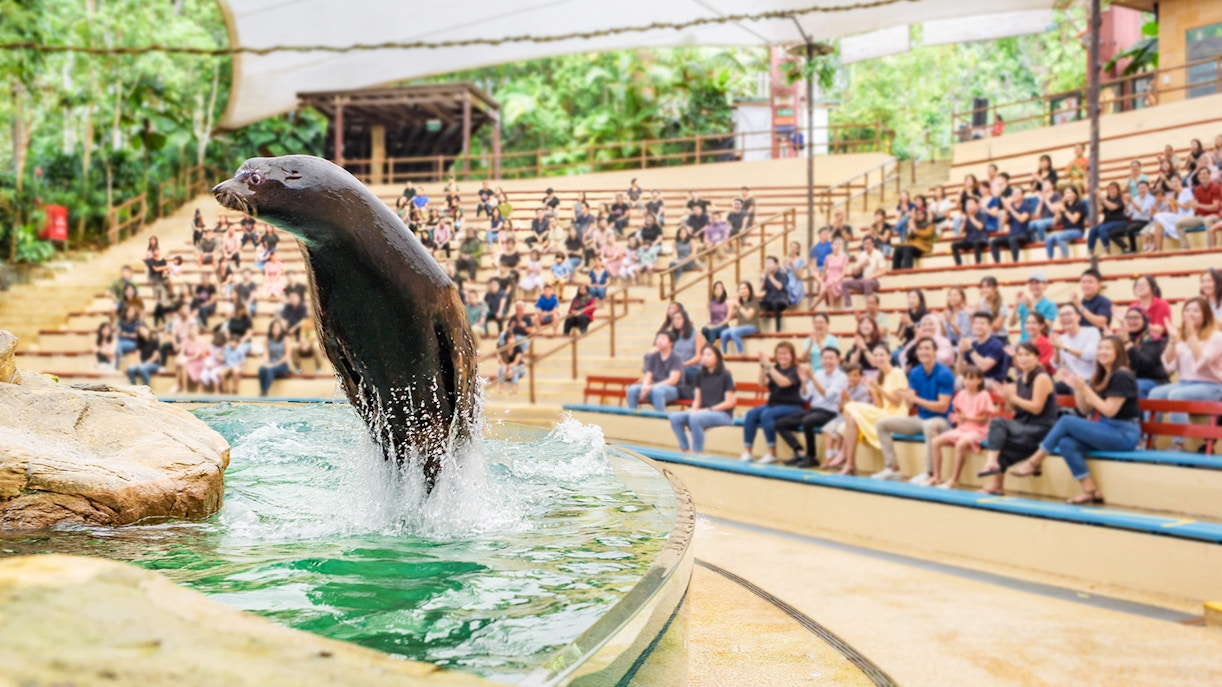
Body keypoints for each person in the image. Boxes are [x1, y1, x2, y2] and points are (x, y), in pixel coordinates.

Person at [1010, 336, 1141, 504]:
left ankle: (1035, 461)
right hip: (1105, 428)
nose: (1102, 352)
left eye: (1108, 348)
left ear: (1119, 352)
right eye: (1100, 348)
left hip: (1123, 433)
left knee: (1066, 421)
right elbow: (1084, 409)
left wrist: (1085, 388)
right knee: (1066, 442)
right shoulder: (1100, 375)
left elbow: (1109, 411)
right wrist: (1077, 389)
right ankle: (1089, 489)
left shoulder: (1122, 375)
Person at [975, 343, 1058, 494]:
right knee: (1001, 444)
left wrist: (1013, 396)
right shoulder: (1020, 380)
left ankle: (991, 462)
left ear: (1037, 358)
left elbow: (1036, 407)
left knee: (997, 421)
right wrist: (1007, 396)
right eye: (1020, 355)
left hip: (1041, 429)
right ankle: (997, 485)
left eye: (1027, 355)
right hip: (1024, 426)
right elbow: (1013, 409)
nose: (1023, 358)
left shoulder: (1042, 377)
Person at [1148, 298, 1222, 450]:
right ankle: (1148, 440)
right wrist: (1173, 340)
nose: (1190, 314)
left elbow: (1201, 362)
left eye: (1195, 310)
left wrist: (1191, 335)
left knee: (1176, 395)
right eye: (1187, 310)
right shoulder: (1181, 336)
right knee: (1155, 393)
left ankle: (1178, 443)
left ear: (1205, 315)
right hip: (1184, 383)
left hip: (1211, 386)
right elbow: (1168, 366)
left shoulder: (1216, 337)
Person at [880, 337, 956, 484]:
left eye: (927, 348)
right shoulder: (915, 372)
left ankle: (930, 472)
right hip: (920, 418)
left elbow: (943, 406)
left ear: (935, 352)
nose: (923, 351)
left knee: (929, 426)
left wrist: (916, 400)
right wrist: (906, 398)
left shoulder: (944, 373)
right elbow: (910, 404)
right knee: (882, 424)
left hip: (942, 420)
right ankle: (892, 468)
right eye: (920, 349)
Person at [829, 343, 909, 476]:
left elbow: (896, 402)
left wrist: (877, 388)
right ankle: (850, 464)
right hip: (884, 412)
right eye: (876, 355)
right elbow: (879, 406)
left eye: (881, 355)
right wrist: (872, 391)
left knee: (852, 407)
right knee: (852, 415)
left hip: (897, 414)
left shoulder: (897, 373)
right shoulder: (880, 375)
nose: (878, 358)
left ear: (889, 357)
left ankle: (844, 453)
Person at [775, 348, 847, 467]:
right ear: (821, 360)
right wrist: (804, 382)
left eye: (831, 358)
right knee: (780, 423)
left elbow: (828, 396)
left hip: (830, 412)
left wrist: (812, 378)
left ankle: (811, 456)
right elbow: (805, 396)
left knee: (808, 421)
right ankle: (800, 452)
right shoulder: (819, 374)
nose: (827, 361)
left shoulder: (842, 377)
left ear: (838, 360)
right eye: (825, 358)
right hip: (814, 410)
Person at [929, 366, 994, 488]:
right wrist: (956, 419)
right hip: (963, 429)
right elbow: (958, 415)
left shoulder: (984, 395)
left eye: (971, 379)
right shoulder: (962, 394)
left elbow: (985, 419)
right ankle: (937, 477)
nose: (967, 382)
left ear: (979, 380)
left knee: (960, 444)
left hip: (979, 430)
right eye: (965, 378)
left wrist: (966, 418)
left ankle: (954, 480)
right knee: (935, 442)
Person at [740, 342, 805, 464]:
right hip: (774, 404)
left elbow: (783, 382)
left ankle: (772, 453)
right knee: (751, 414)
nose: (782, 356)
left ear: (792, 355)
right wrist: (763, 366)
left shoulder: (795, 370)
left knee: (767, 414)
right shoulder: (775, 369)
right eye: (779, 353)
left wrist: (769, 366)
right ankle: (747, 451)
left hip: (793, 406)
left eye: (785, 353)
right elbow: (762, 383)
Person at [669, 345, 737, 454]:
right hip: (702, 412)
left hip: (723, 414)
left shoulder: (725, 375)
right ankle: (685, 450)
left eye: (709, 355)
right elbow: (697, 400)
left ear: (717, 357)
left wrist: (707, 410)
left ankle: (697, 452)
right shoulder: (700, 375)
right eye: (703, 355)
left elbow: (729, 403)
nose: (705, 358)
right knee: (675, 417)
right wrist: (694, 410)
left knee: (696, 418)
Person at [1051, 302, 1101, 394]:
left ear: (1078, 317)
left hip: (1093, 381)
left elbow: (1090, 356)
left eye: (1069, 314)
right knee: (1048, 390)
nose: (1065, 317)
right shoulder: (1062, 338)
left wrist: (1065, 348)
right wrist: (1057, 349)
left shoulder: (1092, 332)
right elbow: (1056, 365)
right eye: (1061, 315)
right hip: (1073, 382)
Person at [627, 331, 684, 412]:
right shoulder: (653, 356)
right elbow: (648, 375)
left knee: (657, 391)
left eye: (663, 338)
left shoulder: (676, 357)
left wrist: (650, 387)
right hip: (653, 387)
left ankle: (659, 418)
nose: (659, 340)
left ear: (671, 343)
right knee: (632, 389)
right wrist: (644, 387)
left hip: (673, 389)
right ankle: (633, 415)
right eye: (658, 338)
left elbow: (673, 380)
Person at [1121, 308, 1170, 398]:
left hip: (1153, 380)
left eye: (1136, 318)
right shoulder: (1121, 338)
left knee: (1136, 386)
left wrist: (1127, 343)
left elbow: (1145, 364)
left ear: (1145, 320)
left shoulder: (1154, 339)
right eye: (1128, 318)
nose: (1132, 321)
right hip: (1128, 379)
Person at [958, 311, 1009, 385]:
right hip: (973, 379)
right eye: (975, 323)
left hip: (991, 380)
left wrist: (970, 349)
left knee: (965, 383)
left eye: (982, 323)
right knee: (956, 382)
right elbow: (961, 371)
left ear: (990, 327)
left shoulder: (996, 344)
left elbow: (983, 367)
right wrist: (960, 353)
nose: (978, 326)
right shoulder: (972, 343)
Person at [1175, 166, 1221, 242]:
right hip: (1201, 216)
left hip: (1215, 215)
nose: (1202, 176)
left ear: (1209, 175)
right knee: (1179, 224)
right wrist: (1192, 205)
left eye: (1204, 174)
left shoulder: (1215, 187)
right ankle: (1185, 249)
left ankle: (1209, 250)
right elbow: (1194, 205)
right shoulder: (1197, 189)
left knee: (1207, 220)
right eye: (1200, 174)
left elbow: (1215, 207)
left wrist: (1198, 205)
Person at [1010, 271, 1057, 343]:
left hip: (1042, 344)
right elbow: (1011, 323)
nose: (1034, 286)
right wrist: (1016, 305)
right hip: (1025, 344)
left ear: (1045, 285)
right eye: (1031, 283)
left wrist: (1031, 308)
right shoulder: (1024, 303)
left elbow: (1046, 327)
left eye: (1037, 283)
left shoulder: (1050, 305)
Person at [990, 189, 1036, 262]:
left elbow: (1022, 219)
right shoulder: (1011, 207)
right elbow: (1003, 222)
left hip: (1024, 234)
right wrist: (1005, 209)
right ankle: (997, 263)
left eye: (1017, 193)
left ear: (1022, 196)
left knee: (1013, 239)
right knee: (993, 242)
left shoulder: (1026, 206)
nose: (1015, 196)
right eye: (1013, 194)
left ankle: (1015, 262)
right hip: (1012, 233)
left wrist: (1010, 209)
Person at [841, 236, 887, 307]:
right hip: (864, 280)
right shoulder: (862, 255)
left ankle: (869, 306)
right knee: (844, 283)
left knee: (867, 282)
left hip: (876, 281)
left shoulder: (878, 254)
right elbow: (855, 273)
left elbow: (883, 271)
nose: (867, 246)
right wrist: (862, 265)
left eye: (869, 244)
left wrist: (870, 277)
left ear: (873, 244)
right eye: (865, 244)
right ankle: (848, 306)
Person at [1111, 180, 1156, 253]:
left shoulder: (1151, 198)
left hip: (1144, 221)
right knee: (1112, 233)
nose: (1142, 190)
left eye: (1144, 187)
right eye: (1140, 188)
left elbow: (1142, 211)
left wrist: (1131, 201)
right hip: (1134, 221)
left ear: (1148, 188)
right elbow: (1128, 214)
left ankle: (1133, 249)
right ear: (1137, 189)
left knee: (1130, 229)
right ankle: (1125, 247)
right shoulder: (1136, 198)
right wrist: (1125, 204)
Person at [1044, 185, 1087, 259]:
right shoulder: (1065, 205)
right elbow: (1056, 220)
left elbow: (1074, 220)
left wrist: (1064, 210)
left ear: (1075, 194)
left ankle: (1065, 257)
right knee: (1049, 238)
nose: (1067, 195)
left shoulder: (1080, 205)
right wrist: (1058, 211)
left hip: (1077, 231)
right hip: (1066, 231)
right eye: (1066, 193)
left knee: (1059, 236)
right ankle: (1049, 259)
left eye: (1069, 193)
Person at [1086, 182, 1128, 254]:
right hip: (1108, 222)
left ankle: (1107, 250)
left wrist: (1103, 199)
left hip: (1119, 221)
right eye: (1109, 189)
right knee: (1092, 230)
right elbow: (1099, 209)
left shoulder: (1120, 198)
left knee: (1103, 229)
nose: (1111, 191)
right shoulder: (1107, 199)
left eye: (1113, 189)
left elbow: (1112, 207)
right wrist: (1098, 198)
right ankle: (1090, 252)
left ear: (1118, 190)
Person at [720, 282, 760, 354]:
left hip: (752, 326)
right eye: (740, 289)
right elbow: (732, 317)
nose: (742, 290)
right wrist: (730, 307)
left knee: (733, 332)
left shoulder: (754, 302)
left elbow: (748, 316)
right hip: (740, 326)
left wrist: (737, 305)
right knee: (723, 333)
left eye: (745, 288)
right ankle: (724, 353)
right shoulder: (740, 303)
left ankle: (741, 351)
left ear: (750, 290)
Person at [950, 196, 989, 265]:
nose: (968, 206)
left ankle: (978, 263)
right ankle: (959, 264)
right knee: (954, 244)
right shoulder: (966, 217)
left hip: (980, 239)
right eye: (967, 204)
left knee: (976, 243)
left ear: (977, 205)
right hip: (969, 239)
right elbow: (960, 231)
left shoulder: (983, 214)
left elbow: (980, 227)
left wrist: (971, 217)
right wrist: (964, 221)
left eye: (970, 204)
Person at [258, 320, 293, 397]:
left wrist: (274, 364)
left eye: (278, 327)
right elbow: (266, 354)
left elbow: (287, 356)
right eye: (274, 327)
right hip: (271, 363)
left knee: (270, 369)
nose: (276, 329)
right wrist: (266, 363)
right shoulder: (267, 340)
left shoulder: (286, 339)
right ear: (271, 329)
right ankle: (263, 391)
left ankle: (264, 393)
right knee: (262, 369)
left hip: (282, 365)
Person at [758, 256, 789, 331]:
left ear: (777, 265)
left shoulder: (782, 274)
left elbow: (779, 287)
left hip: (781, 300)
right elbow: (760, 289)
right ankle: (755, 327)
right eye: (766, 263)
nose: (767, 265)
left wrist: (770, 276)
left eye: (770, 263)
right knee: (754, 303)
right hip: (768, 299)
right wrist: (764, 278)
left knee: (776, 303)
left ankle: (778, 330)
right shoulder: (765, 275)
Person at [700, 281, 731, 347]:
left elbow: (727, 319)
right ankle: (711, 349)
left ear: (723, 290)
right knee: (704, 329)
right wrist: (708, 324)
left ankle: (710, 349)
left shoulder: (728, 301)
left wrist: (715, 326)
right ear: (713, 291)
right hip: (713, 324)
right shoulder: (710, 303)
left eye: (720, 288)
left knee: (711, 331)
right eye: (716, 288)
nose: (718, 290)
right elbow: (708, 315)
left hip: (724, 326)